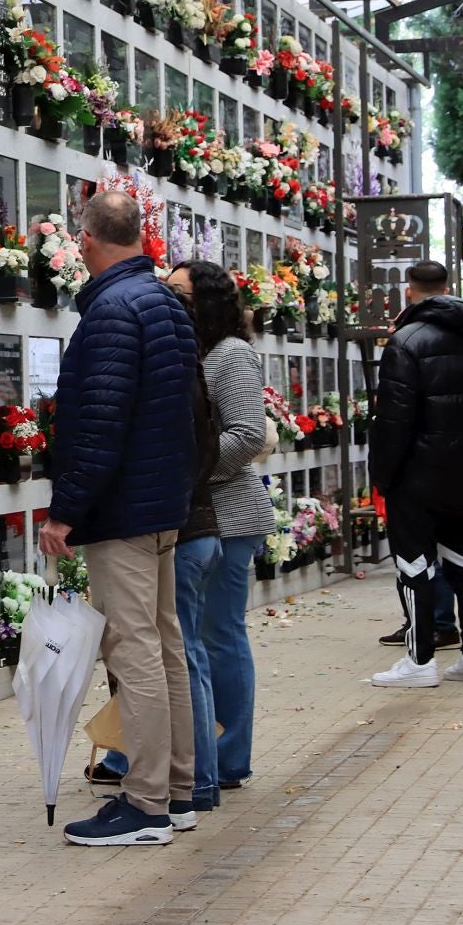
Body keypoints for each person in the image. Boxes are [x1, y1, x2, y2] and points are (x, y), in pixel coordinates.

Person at [41, 191, 200, 846]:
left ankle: (147, 806)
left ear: (86, 240)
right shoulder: (166, 301)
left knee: (133, 653)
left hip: (125, 510)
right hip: (163, 503)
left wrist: (65, 512)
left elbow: (99, 426)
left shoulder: (110, 310)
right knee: (164, 650)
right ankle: (180, 791)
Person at [165, 260, 274, 803]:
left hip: (228, 516)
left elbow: (248, 433)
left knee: (219, 635)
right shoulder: (190, 351)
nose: (171, 299)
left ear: (207, 300)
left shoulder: (229, 353)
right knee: (193, 639)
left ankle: (230, 758)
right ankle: (194, 751)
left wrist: (192, 473)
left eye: (180, 293)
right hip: (199, 514)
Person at [365, 261, 463, 687]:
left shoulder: (405, 341)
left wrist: (384, 477)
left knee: (413, 564)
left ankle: (420, 660)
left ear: (410, 291)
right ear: (447, 288)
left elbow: (394, 419)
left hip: (416, 475)